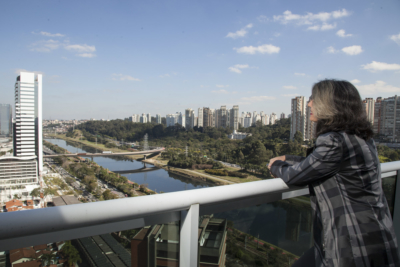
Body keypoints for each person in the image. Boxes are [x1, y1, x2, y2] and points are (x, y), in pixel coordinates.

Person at [268, 80, 400, 267]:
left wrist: (275, 166)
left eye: (313, 99)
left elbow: (295, 176)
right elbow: (321, 163)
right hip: (374, 233)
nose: (309, 104)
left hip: (353, 243)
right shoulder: (359, 136)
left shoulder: (334, 140)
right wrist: (288, 158)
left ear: (330, 105)